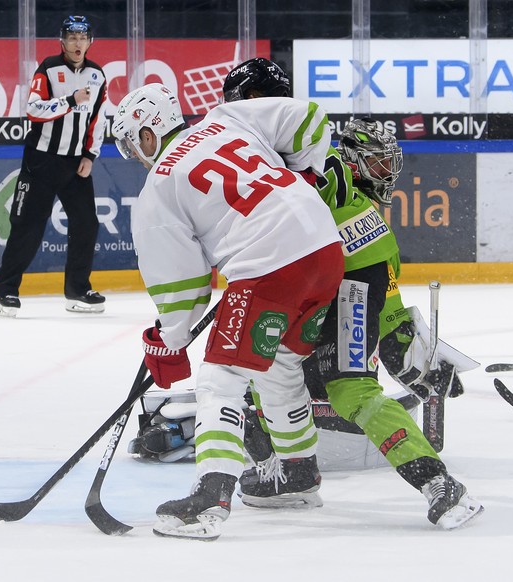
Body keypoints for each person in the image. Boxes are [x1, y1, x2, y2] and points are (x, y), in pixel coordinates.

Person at [220, 57, 483, 530]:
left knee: (348, 387)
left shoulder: (258, 143)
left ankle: (438, 483)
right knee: (261, 366)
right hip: (333, 269)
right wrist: (400, 331)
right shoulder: (298, 130)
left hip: (341, 271)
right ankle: (289, 472)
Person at [112, 82, 344, 540]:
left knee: (221, 379)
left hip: (269, 266)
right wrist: (305, 178)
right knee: (278, 365)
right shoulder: (227, 119)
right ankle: (298, 474)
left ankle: (209, 496)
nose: (135, 156)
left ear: (147, 132)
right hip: (323, 247)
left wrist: (171, 340)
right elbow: (311, 119)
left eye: (131, 143)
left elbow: (180, 282)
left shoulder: (159, 185)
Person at [0, 15, 107, 317]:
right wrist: (69, 100)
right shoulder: (48, 69)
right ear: (62, 41)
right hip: (41, 161)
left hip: (75, 165)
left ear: (90, 41)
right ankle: (5, 290)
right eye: (72, 38)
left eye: (83, 38)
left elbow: (97, 119)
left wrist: (90, 156)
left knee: (86, 224)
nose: (77, 43)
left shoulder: (97, 75)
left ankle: (77, 290)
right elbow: (33, 109)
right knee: (27, 228)